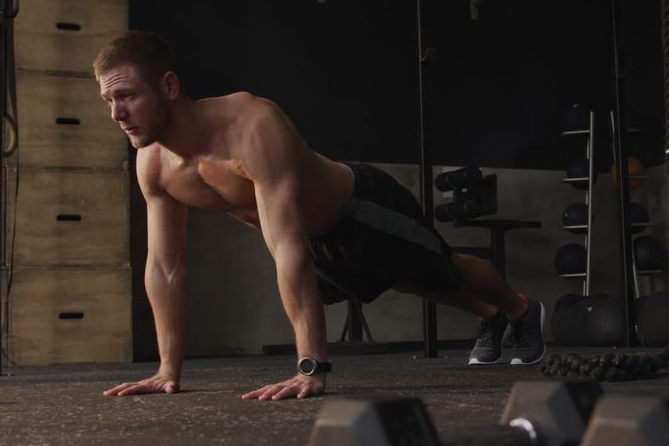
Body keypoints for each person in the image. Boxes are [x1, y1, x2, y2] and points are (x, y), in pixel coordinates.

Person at [94, 31, 546, 401]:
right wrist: (166, 370)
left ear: (169, 87)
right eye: (108, 102)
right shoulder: (153, 164)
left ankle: (518, 310)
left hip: (360, 207)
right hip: (315, 240)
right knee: (408, 282)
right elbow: (165, 266)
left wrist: (311, 368)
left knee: (442, 272)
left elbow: (287, 248)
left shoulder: (250, 124)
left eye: (127, 97)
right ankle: (491, 316)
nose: (117, 114)